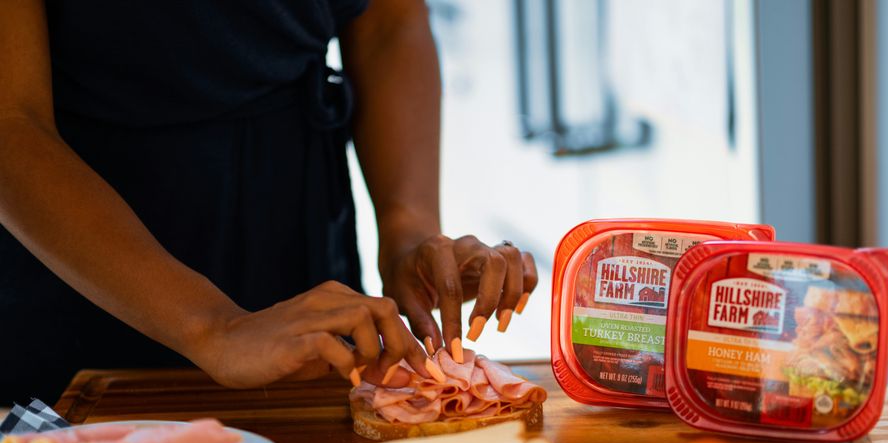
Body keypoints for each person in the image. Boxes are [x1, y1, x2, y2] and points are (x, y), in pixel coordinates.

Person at [0, 0, 537, 403]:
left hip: (294, 208)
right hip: (79, 241)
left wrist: (407, 229)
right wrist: (213, 326)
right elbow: (11, 124)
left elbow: (387, 24)